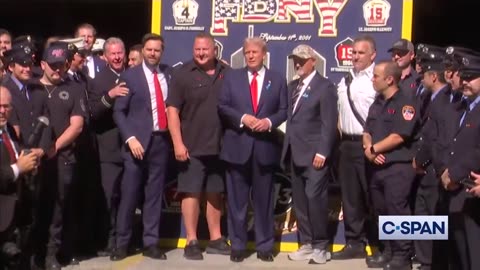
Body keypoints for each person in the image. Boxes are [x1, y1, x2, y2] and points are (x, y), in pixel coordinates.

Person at [218, 37, 287, 263]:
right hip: (237, 147)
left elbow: (284, 110)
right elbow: (223, 106)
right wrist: (242, 118)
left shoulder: (277, 79)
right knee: (237, 203)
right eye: (247, 52)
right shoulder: (231, 77)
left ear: (264, 54)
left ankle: (265, 245)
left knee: (264, 202)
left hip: (265, 149)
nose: (250, 55)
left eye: (255, 52)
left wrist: (268, 122)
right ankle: (237, 245)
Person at [166, 33, 231, 260]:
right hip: (191, 147)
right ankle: (191, 240)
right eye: (197, 50)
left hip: (220, 146)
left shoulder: (227, 73)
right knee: (191, 193)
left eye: (205, 49)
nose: (201, 53)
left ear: (215, 50)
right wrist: (177, 143)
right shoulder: (182, 74)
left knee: (215, 193)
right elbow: (172, 111)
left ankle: (215, 238)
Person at [112, 33, 171, 261]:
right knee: (129, 195)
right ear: (143, 51)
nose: (153, 53)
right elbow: (119, 112)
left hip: (160, 142)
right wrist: (130, 138)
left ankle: (151, 242)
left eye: (157, 50)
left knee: (154, 196)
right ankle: (122, 244)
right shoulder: (130, 76)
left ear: (162, 52)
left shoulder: (169, 74)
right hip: (136, 144)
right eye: (149, 50)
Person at [280, 44, 338, 264]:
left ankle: (321, 246)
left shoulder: (325, 87)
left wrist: (323, 151)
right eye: (295, 59)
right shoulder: (292, 86)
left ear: (313, 60)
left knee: (315, 199)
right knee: (301, 202)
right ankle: (306, 243)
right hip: (295, 153)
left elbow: (329, 123)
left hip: (315, 155)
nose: (298, 63)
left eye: (302, 60)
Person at [363, 60, 420, 270]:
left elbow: (399, 136)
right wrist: (369, 150)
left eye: (376, 76)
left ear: (389, 79)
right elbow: (367, 131)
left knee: (397, 211)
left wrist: (374, 149)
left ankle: (402, 255)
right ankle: (387, 251)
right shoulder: (378, 101)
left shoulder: (406, 102)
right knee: (381, 211)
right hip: (376, 166)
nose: (373, 79)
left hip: (398, 167)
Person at [36, 43, 87, 270]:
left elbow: (77, 126)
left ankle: (51, 254)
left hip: (62, 158)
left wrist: (54, 147)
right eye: (54, 66)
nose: (58, 70)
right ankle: (30, 253)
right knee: (32, 207)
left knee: (58, 209)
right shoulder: (31, 87)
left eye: (63, 65)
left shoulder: (74, 89)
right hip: (31, 161)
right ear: (43, 64)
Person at [332, 34, 378, 263]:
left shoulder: (378, 79)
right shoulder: (345, 78)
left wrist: (374, 144)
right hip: (347, 145)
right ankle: (354, 243)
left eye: (361, 52)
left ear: (373, 55)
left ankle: (383, 246)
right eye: (354, 52)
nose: (356, 56)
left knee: (375, 196)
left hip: (369, 145)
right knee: (350, 197)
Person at [435, 51, 480, 270]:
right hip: (454, 190)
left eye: (471, 77)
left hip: (472, 191)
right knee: (458, 256)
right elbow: (447, 142)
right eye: (463, 77)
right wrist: (445, 170)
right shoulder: (461, 107)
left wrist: (455, 173)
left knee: (474, 256)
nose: (465, 83)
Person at [411, 47, 450, 270]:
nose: (421, 75)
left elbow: (434, 137)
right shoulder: (428, 97)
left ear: (433, 76)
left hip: (433, 168)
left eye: (424, 72)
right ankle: (425, 260)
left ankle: (432, 262)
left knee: (433, 215)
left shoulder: (444, 100)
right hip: (424, 167)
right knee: (422, 214)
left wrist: (420, 161)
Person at [88, 37, 127, 256]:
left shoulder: (133, 75)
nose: (117, 57)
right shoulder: (99, 80)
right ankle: (108, 240)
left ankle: (124, 238)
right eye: (113, 53)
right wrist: (110, 96)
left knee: (127, 197)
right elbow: (93, 113)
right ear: (105, 56)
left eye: (120, 52)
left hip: (131, 148)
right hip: (109, 149)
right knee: (109, 197)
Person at [0, 86, 39, 270]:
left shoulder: (8, 129)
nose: (2, 111)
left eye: (6, 107)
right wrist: (17, 168)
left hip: (18, 212)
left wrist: (29, 164)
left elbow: (17, 155)